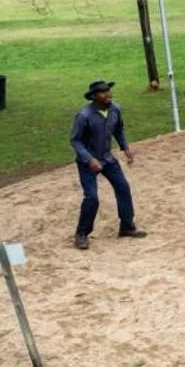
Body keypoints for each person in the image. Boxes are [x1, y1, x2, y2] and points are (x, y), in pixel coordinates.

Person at [69, 79, 144, 250]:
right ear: (94, 97)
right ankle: (81, 233)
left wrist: (125, 147)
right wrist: (89, 159)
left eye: (108, 91)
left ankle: (126, 226)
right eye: (103, 92)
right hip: (87, 163)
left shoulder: (115, 109)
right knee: (92, 198)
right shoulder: (84, 115)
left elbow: (119, 130)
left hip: (107, 158)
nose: (108, 94)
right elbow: (75, 140)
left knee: (123, 187)